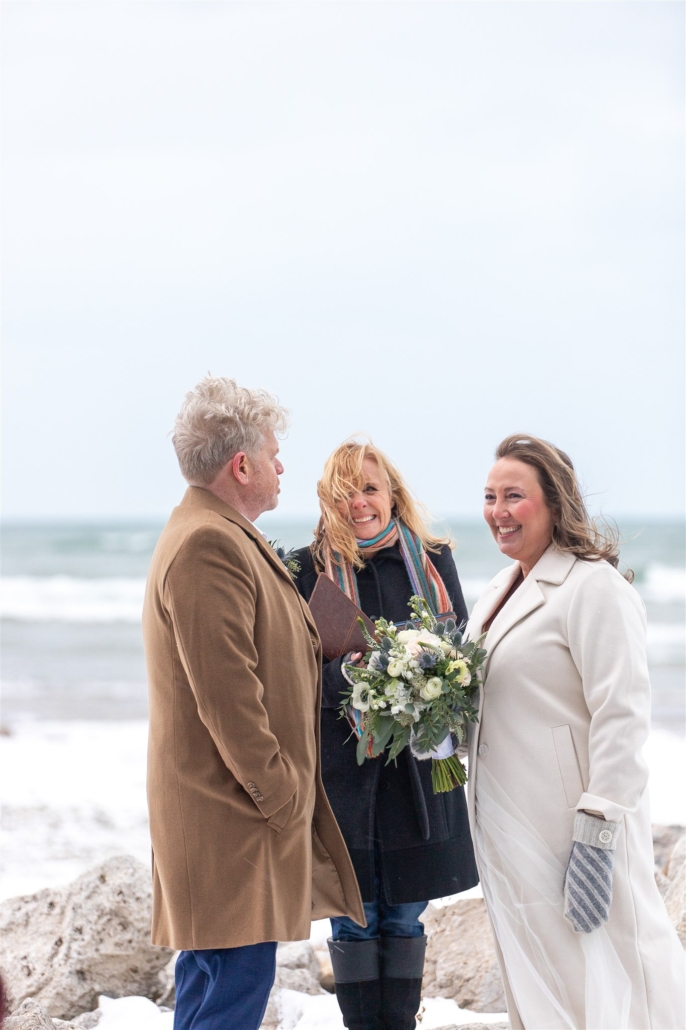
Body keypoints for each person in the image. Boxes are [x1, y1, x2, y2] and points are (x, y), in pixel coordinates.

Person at [142, 378, 364, 1030]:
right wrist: (284, 794)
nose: (282, 466)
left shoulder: (218, 533)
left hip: (228, 822)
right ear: (241, 465)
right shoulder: (207, 544)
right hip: (230, 822)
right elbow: (229, 697)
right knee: (228, 1001)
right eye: (273, 453)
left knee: (214, 995)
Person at [465, 433, 685, 1030]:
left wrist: (596, 831)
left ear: (555, 504)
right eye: (489, 496)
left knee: (618, 970)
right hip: (510, 827)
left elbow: (622, 714)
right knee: (540, 975)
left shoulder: (595, 588)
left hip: (574, 831)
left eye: (514, 496)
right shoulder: (495, 590)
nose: (498, 511)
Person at [293, 440, 479, 1030]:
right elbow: (291, 672)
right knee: (351, 917)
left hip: (417, 775)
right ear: (328, 500)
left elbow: (463, 658)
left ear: (391, 494)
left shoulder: (433, 561)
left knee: (404, 917)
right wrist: (356, 679)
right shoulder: (304, 569)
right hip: (343, 776)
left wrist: (426, 679)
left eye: (370, 489)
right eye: (344, 491)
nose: (359, 502)